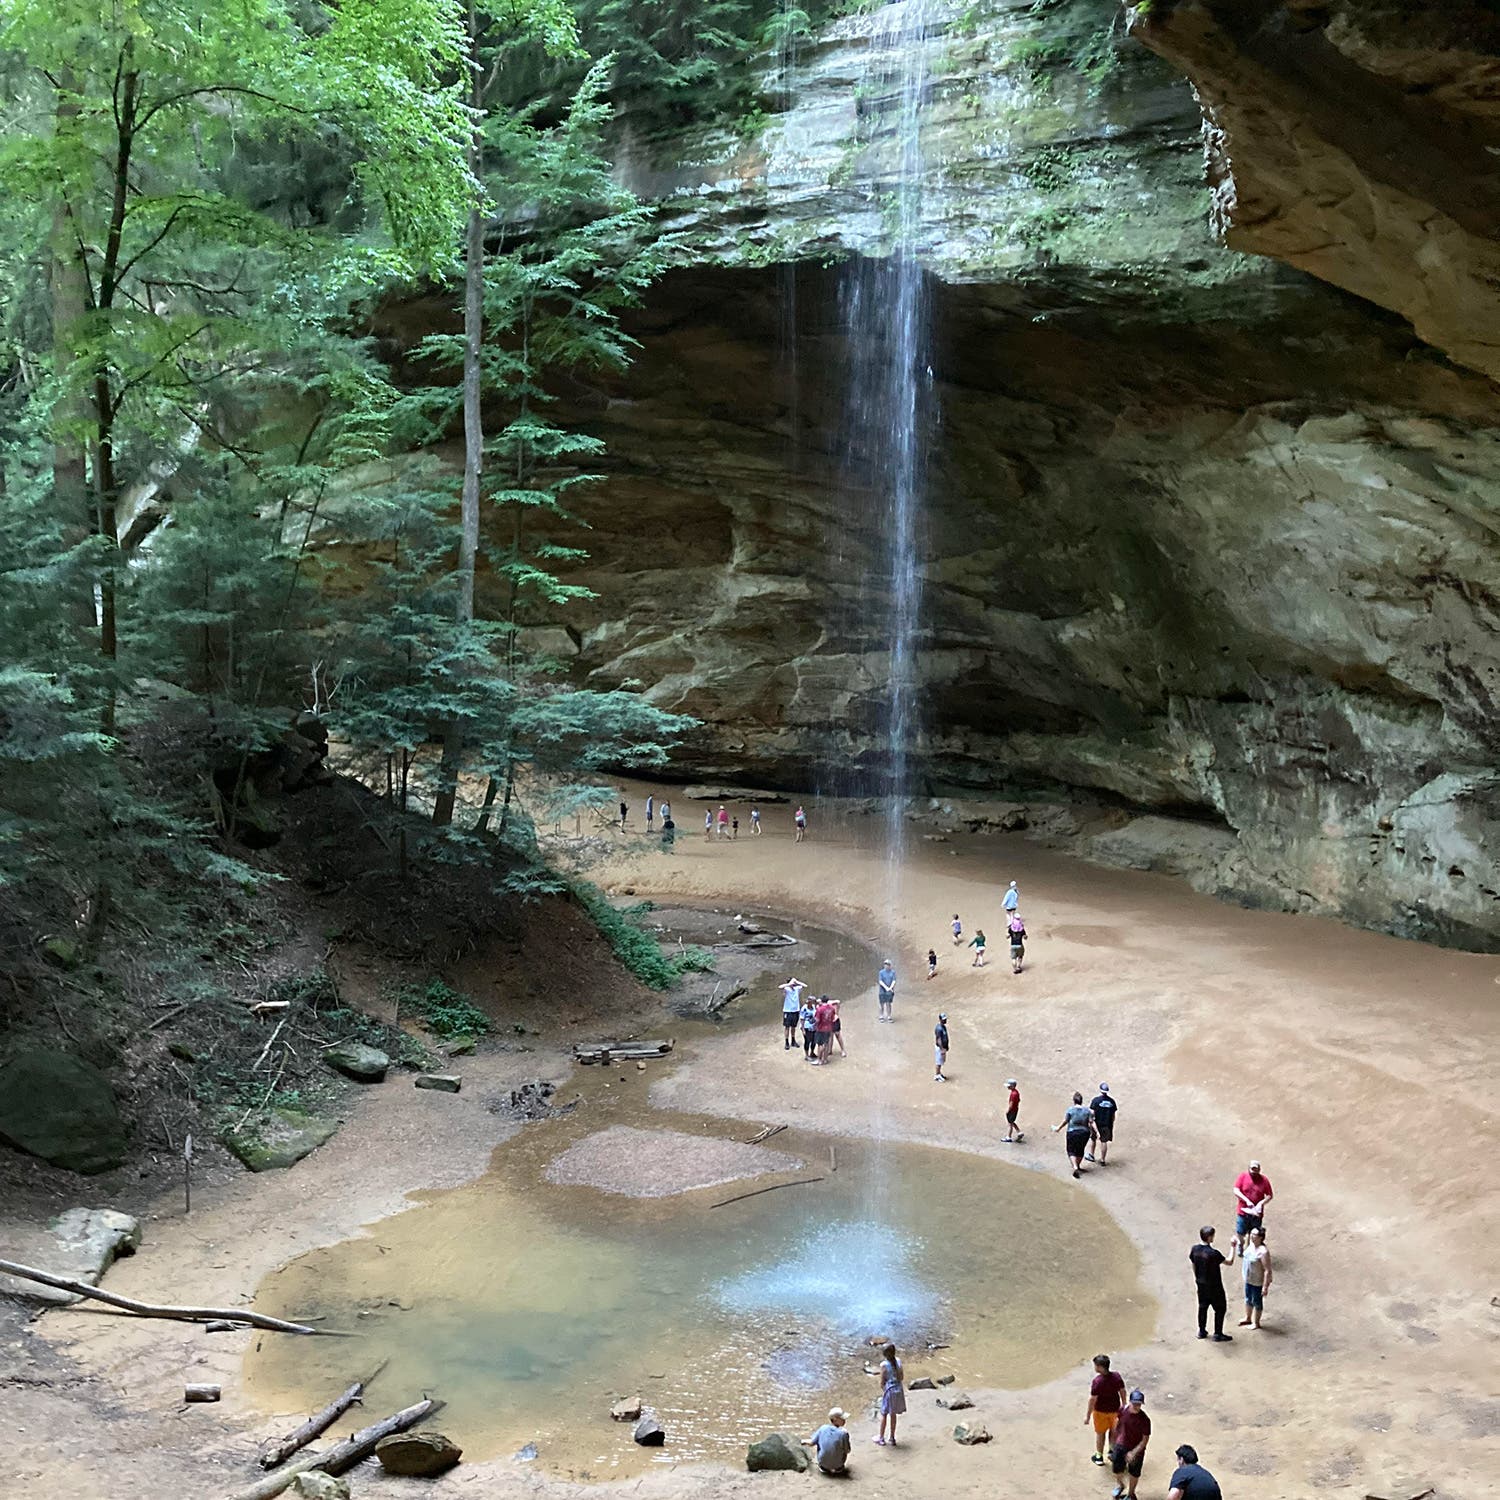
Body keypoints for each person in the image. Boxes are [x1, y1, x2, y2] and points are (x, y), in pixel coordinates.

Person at [1190, 1226, 1234, 1341]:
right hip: (1215, 1286)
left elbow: (1194, 1265)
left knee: (1202, 1307)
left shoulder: (1195, 1249)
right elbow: (1229, 1262)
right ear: (1209, 1237)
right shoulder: (1213, 1254)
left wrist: (1197, 1278)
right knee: (1220, 1308)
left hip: (1201, 1284)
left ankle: (1201, 1331)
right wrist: (1233, 1247)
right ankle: (1218, 1333)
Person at [1107, 1388, 1151, 1500]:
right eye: (1135, 1403)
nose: (1137, 1406)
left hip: (1136, 1449)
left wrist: (1134, 1452)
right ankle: (1121, 1485)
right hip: (1122, 1444)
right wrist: (1114, 1441)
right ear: (1130, 1402)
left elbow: (1144, 1440)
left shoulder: (1145, 1420)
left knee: (1134, 1472)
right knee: (1116, 1467)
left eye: (1139, 1404)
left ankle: (1131, 1494)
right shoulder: (1123, 1410)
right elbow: (1117, 1423)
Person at [1085, 1354, 1126, 1466]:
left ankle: (1099, 1456)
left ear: (1099, 1367)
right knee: (1114, 1431)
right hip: (1115, 1410)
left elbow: (1093, 1399)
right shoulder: (1116, 1377)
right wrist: (1124, 1404)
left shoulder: (1097, 1381)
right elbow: (1122, 1391)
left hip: (1100, 1412)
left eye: (1095, 1366)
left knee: (1100, 1433)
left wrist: (1088, 1415)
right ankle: (1112, 1452)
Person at [1232, 1160, 1274, 1251]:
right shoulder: (1243, 1177)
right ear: (1249, 1169)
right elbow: (1236, 1190)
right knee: (1240, 1232)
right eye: (1252, 1169)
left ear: (1259, 1170)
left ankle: (1250, 1249)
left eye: (1256, 1169)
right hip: (1243, 1211)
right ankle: (1241, 1244)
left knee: (1254, 1233)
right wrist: (1246, 1200)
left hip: (1256, 1213)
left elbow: (1270, 1195)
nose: (1254, 1172)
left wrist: (1261, 1203)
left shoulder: (1264, 1180)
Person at [1053, 1091, 1093, 1178]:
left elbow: (1066, 1121)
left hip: (1072, 1132)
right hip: (1084, 1132)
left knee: (1070, 1150)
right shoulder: (1087, 1111)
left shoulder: (1070, 1110)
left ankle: (1075, 1166)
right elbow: (1091, 1122)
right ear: (1081, 1101)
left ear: (1074, 1101)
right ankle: (1078, 1165)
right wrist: (1093, 1132)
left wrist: (1059, 1128)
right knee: (1080, 1149)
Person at [1240, 1224, 1272, 1329]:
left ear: (1260, 1237)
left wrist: (1265, 1286)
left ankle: (1256, 1323)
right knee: (1248, 1299)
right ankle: (1248, 1317)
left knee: (1257, 1302)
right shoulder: (1251, 1245)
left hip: (1257, 1281)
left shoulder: (1263, 1252)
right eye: (1252, 1234)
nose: (1252, 1236)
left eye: (1255, 1235)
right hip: (1249, 1279)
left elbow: (1267, 1270)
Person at [873, 1342, 905, 1446]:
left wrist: (884, 1389)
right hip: (898, 1389)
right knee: (893, 1414)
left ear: (884, 1354)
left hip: (889, 1391)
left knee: (884, 1414)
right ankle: (892, 1437)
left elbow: (882, 1381)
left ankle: (881, 1438)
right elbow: (901, 1377)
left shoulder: (884, 1365)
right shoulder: (898, 1361)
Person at [805, 1408, 852, 1475]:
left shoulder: (823, 1428)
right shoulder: (843, 1433)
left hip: (823, 1465)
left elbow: (812, 1443)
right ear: (835, 1419)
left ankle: (823, 1467)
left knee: (820, 1442)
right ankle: (838, 1468)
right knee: (842, 1448)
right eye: (842, 1418)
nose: (845, 1420)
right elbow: (847, 1450)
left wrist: (801, 1442)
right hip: (838, 1466)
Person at [1089, 1083, 1118, 1164]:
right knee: (1104, 1141)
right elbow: (1113, 1116)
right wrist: (1111, 1123)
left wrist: (1091, 1122)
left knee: (1093, 1139)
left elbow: (1092, 1113)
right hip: (1107, 1125)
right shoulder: (1112, 1101)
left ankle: (1091, 1155)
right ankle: (1102, 1159)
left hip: (1097, 1124)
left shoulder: (1096, 1100)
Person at [781, 977, 807, 1050]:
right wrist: (789, 984)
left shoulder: (797, 989)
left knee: (793, 1026)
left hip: (796, 1010)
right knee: (787, 1027)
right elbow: (780, 987)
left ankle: (793, 1040)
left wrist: (797, 982)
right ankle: (786, 1042)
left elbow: (805, 986)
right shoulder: (787, 989)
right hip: (788, 1010)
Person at [814, 994, 836, 1064]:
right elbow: (833, 1018)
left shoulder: (819, 1009)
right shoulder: (832, 1008)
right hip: (829, 1028)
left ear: (821, 1000)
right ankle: (825, 1059)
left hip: (821, 1029)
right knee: (826, 1044)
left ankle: (819, 1059)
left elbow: (817, 1020)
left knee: (820, 1044)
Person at [1003, 1078, 1024, 1142]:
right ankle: (1019, 1132)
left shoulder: (1013, 1094)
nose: (1007, 1087)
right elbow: (1019, 1100)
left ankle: (1008, 1137)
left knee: (1010, 1124)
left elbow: (1011, 1104)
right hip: (1015, 1110)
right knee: (1012, 1122)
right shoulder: (1016, 1092)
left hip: (1012, 1111)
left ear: (1012, 1086)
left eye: (1008, 1086)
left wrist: (1007, 1111)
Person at [800, 996, 818, 1062]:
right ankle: (806, 1055)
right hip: (807, 1027)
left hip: (814, 1026)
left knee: (814, 1041)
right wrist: (803, 1029)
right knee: (807, 1041)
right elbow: (802, 1019)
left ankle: (812, 1052)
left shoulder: (814, 1007)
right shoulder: (804, 1008)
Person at [933, 1013, 949, 1083]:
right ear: (940, 1020)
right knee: (938, 1062)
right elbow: (939, 1040)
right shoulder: (939, 1028)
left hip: (943, 1048)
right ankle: (937, 1075)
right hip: (940, 1048)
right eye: (943, 1020)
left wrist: (946, 1046)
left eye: (945, 1019)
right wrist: (942, 1049)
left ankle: (939, 1073)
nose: (945, 1021)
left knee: (941, 1061)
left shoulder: (943, 1027)